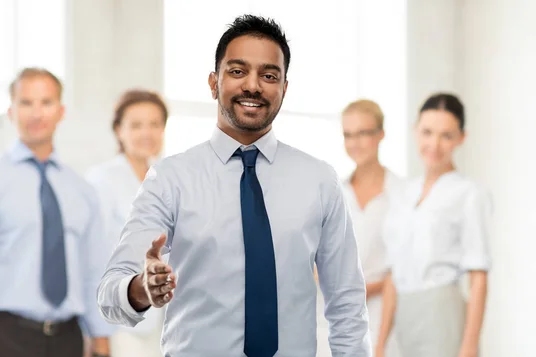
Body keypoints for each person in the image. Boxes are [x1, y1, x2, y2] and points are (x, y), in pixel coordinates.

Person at [97, 14, 372, 357]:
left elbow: (347, 302)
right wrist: (142, 289)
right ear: (214, 83)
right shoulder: (170, 179)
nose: (253, 86)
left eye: (269, 75)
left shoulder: (318, 180)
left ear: (284, 88)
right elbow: (110, 293)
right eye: (238, 71)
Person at [0, 68, 112, 357]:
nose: (37, 113)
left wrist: (101, 342)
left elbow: (94, 270)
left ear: (61, 111)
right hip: (7, 338)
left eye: (46, 102)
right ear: (11, 111)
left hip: (70, 339)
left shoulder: (82, 191)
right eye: (26, 103)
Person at [375, 93, 491, 357]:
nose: (434, 144)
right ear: (415, 131)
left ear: (462, 138)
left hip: (443, 315)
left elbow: (479, 275)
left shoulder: (469, 194)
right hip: (405, 317)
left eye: (446, 135)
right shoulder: (404, 193)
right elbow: (393, 273)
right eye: (427, 132)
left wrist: (470, 346)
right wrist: (380, 344)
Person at [85, 89, 168, 357]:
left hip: (164, 320)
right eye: (136, 125)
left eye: (155, 124)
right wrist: (98, 334)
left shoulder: (167, 178)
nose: (147, 132)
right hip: (118, 323)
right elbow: (92, 260)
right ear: (119, 130)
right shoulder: (101, 180)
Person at [317, 100, 403, 356]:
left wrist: (363, 289)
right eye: (348, 135)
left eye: (363, 133)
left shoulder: (402, 194)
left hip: (381, 315)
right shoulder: (333, 193)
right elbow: (314, 257)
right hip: (331, 315)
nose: (355, 143)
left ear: (381, 134)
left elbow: (399, 269)